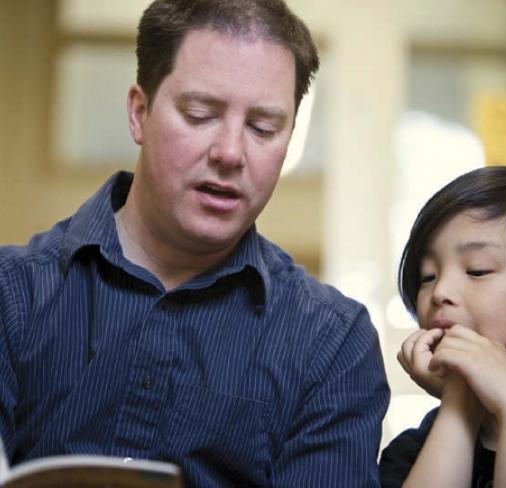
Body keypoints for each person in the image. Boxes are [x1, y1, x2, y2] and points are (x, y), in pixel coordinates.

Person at [0, 1, 389, 486]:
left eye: (263, 128)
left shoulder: (329, 344)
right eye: (202, 114)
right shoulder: (11, 296)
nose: (230, 153)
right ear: (140, 113)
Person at [379, 165, 506, 487]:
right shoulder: (413, 453)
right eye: (427, 276)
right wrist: (460, 403)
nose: (440, 292)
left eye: (477, 271)